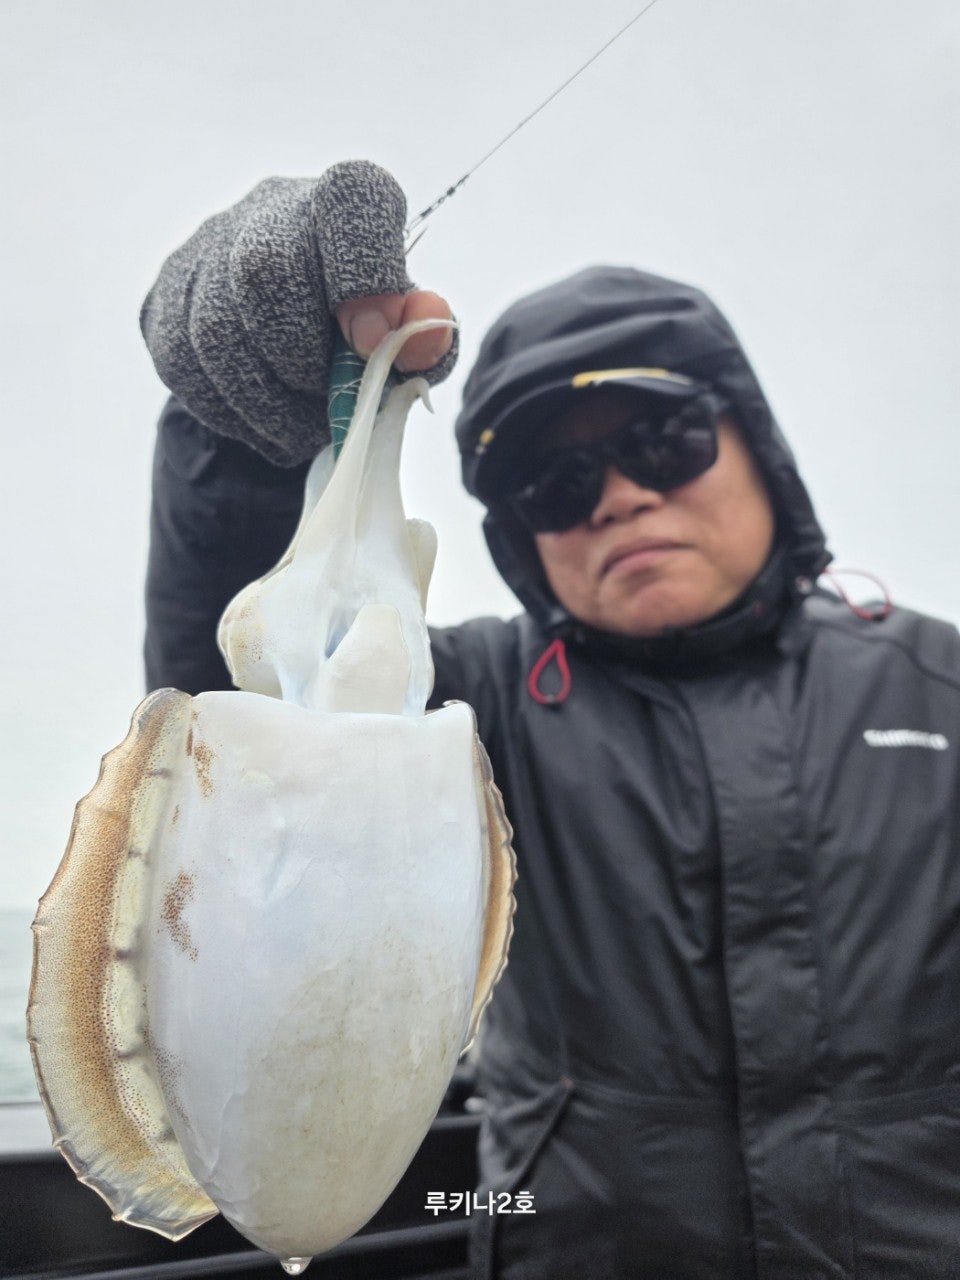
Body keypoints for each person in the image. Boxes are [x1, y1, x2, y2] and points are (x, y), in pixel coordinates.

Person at [141, 162, 960, 1280]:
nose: (619, 494)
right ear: (523, 536)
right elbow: (244, 698)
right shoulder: (467, 709)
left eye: (665, 440)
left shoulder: (938, 685)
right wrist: (243, 431)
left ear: (759, 448)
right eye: (554, 482)